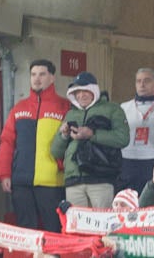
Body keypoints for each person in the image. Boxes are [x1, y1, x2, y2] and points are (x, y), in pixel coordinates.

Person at [0, 59, 68, 230]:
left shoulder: (64, 106)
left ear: (52, 77)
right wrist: (4, 174)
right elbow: (7, 143)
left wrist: (62, 167)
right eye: (33, 74)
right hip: (21, 181)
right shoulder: (19, 108)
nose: (37, 78)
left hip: (52, 182)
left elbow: (70, 144)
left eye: (42, 74)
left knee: (54, 228)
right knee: (25, 229)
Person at [48, 72, 128, 210]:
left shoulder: (112, 109)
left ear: (94, 91)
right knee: (77, 226)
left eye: (85, 91)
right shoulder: (70, 114)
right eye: (77, 92)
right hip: (73, 181)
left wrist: (92, 134)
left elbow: (123, 138)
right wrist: (64, 135)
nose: (81, 95)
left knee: (102, 224)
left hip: (101, 178)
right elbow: (56, 151)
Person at [118, 69, 154, 193]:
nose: (142, 84)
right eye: (138, 81)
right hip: (129, 163)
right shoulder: (123, 107)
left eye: (147, 80)